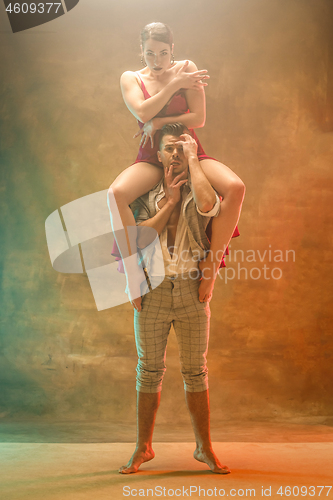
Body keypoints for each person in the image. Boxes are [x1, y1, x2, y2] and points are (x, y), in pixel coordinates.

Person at [119, 122, 231, 475]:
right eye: (169, 148)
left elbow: (210, 204)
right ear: (157, 153)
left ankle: (204, 448)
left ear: (190, 151)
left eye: (181, 148)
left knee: (196, 371)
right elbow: (140, 238)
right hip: (151, 291)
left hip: (190, 291)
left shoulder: (201, 185)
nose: (175, 155)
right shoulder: (142, 195)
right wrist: (168, 203)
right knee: (148, 371)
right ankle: (143, 448)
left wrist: (194, 161)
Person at [108, 22, 245, 310]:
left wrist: (157, 122)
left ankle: (211, 266)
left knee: (235, 187)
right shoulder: (130, 78)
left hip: (189, 149)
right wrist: (174, 84)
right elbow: (142, 110)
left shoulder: (188, 67)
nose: (157, 62)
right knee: (115, 194)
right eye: (149, 54)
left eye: (163, 54)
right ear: (141, 52)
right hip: (153, 156)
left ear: (173, 50)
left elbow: (198, 118)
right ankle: (133, 274)